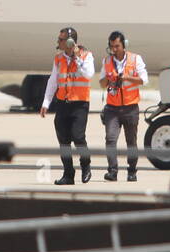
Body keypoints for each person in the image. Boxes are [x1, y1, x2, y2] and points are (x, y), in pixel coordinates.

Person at [39, 27, 94, 184]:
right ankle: (68, 174)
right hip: (63, 103)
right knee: (63, 140)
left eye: (61, 39)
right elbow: (53, 81)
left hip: (80, 104)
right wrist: (46, 102)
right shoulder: (58, 59)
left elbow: (88, 74)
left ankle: (86, 165)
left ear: (70, 42)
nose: (58, 42)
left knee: (78, 137)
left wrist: (77, 58)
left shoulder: (86, 56)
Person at [99, 31, 147, 181]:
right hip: (112, 108)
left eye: (117, 46)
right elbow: (101, 83)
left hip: (130, 107)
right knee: (110, 139)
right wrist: (109, 79)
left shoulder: (135, 59)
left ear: (124, 45)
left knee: (131, 141)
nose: (114, 49)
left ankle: (132, 171)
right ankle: (112, 171)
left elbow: (143, 80)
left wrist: (126, 77)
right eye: (112, 46)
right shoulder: (106, 62)